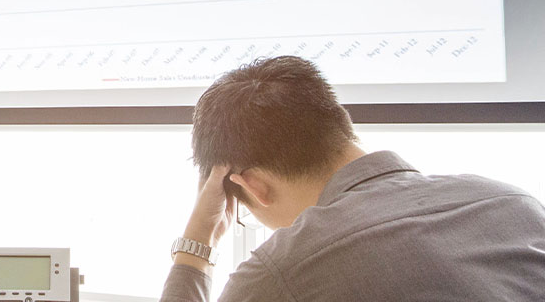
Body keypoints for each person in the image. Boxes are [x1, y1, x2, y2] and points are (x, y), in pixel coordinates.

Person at [160, 56, 545, 301]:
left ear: (252, 186)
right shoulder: (513, 205)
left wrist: (195, 247)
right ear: (338, 124)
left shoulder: (279, 274)